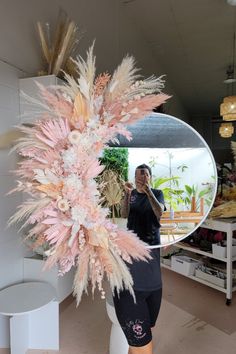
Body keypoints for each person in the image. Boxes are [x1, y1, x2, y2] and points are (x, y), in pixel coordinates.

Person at [113, 163, 165, 354]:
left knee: (148, 329)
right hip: (132, 255)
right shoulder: (132, 194)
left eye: (143, 175)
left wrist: (148, 190)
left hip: (152, 265)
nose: (139, 179)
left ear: (150, 177)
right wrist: (127, 194)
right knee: (142, 343)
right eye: (137, 176)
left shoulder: (157, 193)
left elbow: (159, 213)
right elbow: (125, 214)